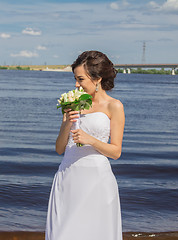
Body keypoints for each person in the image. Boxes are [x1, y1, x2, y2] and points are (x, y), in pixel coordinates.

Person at [46, 51, 125, 240]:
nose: (76, 84)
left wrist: (91, 140)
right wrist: (67, 121)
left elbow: (115, 152)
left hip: (97, 181)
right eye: (75, 79)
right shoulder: (73, 103)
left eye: (80, 79)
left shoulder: (114, 106)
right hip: (68, 178)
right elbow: (59, 149)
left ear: (97, 79)